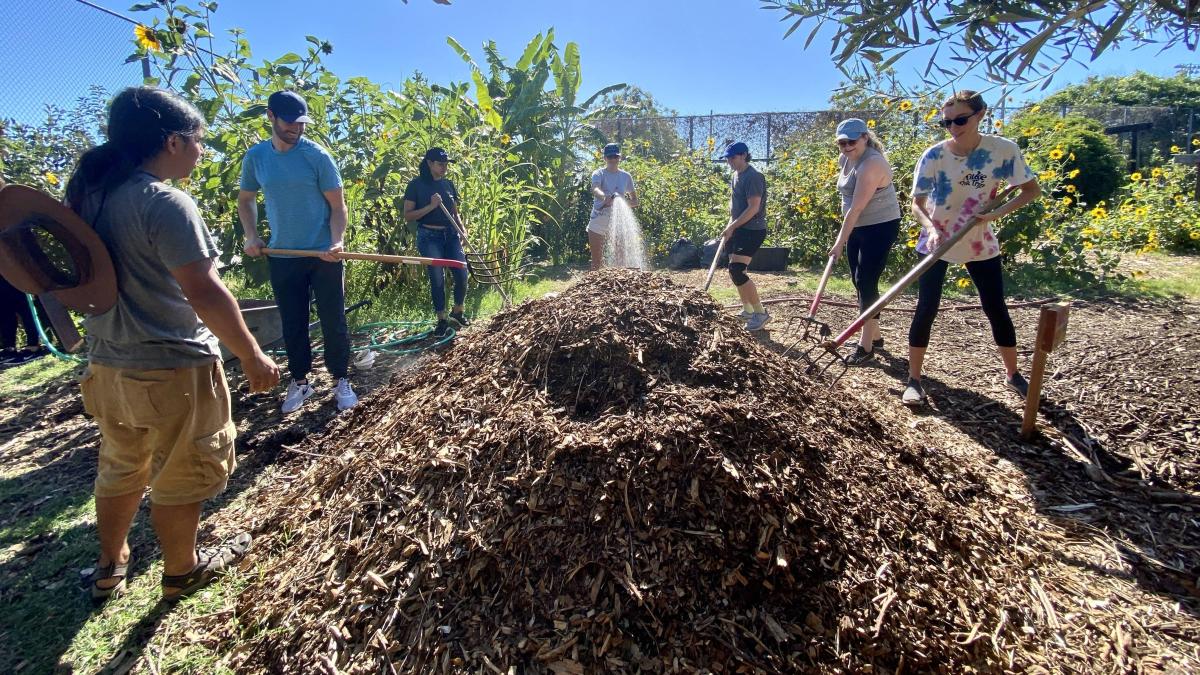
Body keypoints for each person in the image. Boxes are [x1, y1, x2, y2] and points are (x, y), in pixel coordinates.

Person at [64, 86, 280, 601]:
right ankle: (183, 570)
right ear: (171, 141)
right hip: (171, 366)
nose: (202, 150)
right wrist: (251, 354)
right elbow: (204, 291)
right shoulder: (164, 203)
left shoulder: (90, 196)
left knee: (120, 465)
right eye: (197, 140)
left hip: (109, 365)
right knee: (182, 473)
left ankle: (110, 562)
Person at [903, 90, 1041, 406]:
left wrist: (993, 214)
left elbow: (1030, 190)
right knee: (926, 308)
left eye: (961, 120)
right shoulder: (934, 156)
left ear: (980, 115)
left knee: (995, 306)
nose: (953, 127)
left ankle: (1013, 374)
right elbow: (917, 203)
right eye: (946, 122)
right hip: (937, 238)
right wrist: (930, 229)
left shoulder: (1003, 151)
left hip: (978, 239)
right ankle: (914, 379)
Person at [238, 90, 357, 413]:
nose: (296, 129)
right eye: (290, 122)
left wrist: (337, 241)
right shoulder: (257, 158)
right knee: (293, 321)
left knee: (333, 320)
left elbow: (338, 206)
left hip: (323, 255)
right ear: (271, 117)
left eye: (301, 123)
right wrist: (252, 235)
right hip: (283, 255)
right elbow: (246, 199)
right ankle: (301, 381)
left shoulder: (317, 157)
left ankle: (341, 379)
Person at [829, 118, 902, 365]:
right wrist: (845, 236)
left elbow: (857, 207)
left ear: (865, 138)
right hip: (858, 225)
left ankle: (866, 346)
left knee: (866, 280)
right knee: (858, 280)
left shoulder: (872, 163)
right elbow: (849, 202)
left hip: (879, 226)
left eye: (852, 141)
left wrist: (840, 241)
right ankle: (876, 335)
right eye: (842, 142)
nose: (847, 146)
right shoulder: (847, 158)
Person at [403, 147, 470, 338]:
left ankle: (457, 312)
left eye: (446, 164)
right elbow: (408, 216)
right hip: (429, 236)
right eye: (440, 164)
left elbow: (455, 213)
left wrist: (462, 230)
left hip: (451, 235)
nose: (444, 168)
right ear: (430, 164)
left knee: (462, 273)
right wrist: (430, 206)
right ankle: (441, 319)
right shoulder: (416, 185)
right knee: (437, 278)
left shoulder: (448, 184)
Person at [720, 142, 771, 331]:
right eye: (727, 159)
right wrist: (730, 227)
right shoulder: (736, 175)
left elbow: (753, 208)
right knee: (734, 271)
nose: (729, 162)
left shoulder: (754, 177)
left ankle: (760, 313)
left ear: (743, 155)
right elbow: (735, 208)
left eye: (732, 158)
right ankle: (748, 310)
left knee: (737, 270)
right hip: (739, 229)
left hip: (752, 229)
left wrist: (733, 226)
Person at [586, 143, 638, 271]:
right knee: (597, 264)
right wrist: (605, 197)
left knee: (620, 263)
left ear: (619, 157)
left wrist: (621, 201)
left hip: (618, 222)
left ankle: (619, 289)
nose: (613, 160)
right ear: (605, 158)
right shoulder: (599, 173)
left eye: (616, 157)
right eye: (610, 157)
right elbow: (595, 188)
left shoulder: (626, 176)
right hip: (599, 219)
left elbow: (635, 201)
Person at [0, 275, 46, 365]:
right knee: (5, 311)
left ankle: (33, 347)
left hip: (12, 274)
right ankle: (9, 349)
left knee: (25, 308)